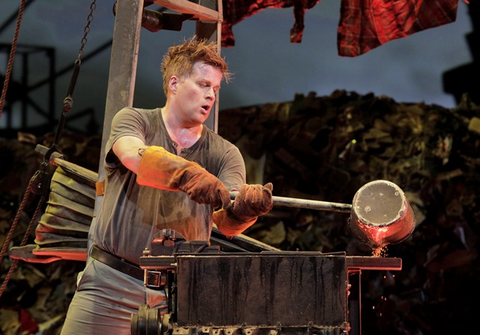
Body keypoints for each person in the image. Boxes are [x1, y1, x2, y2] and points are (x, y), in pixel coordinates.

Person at [60, 36, 273, 334]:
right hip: (110, 285)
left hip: (181, 295)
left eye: (215, 88)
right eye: (202, 84)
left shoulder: (225, 153)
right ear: (174, 84)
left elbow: (226, 222)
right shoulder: (136, 121)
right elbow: (134, 155)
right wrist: (189, 174)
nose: (210, 95)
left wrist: (245, 211)